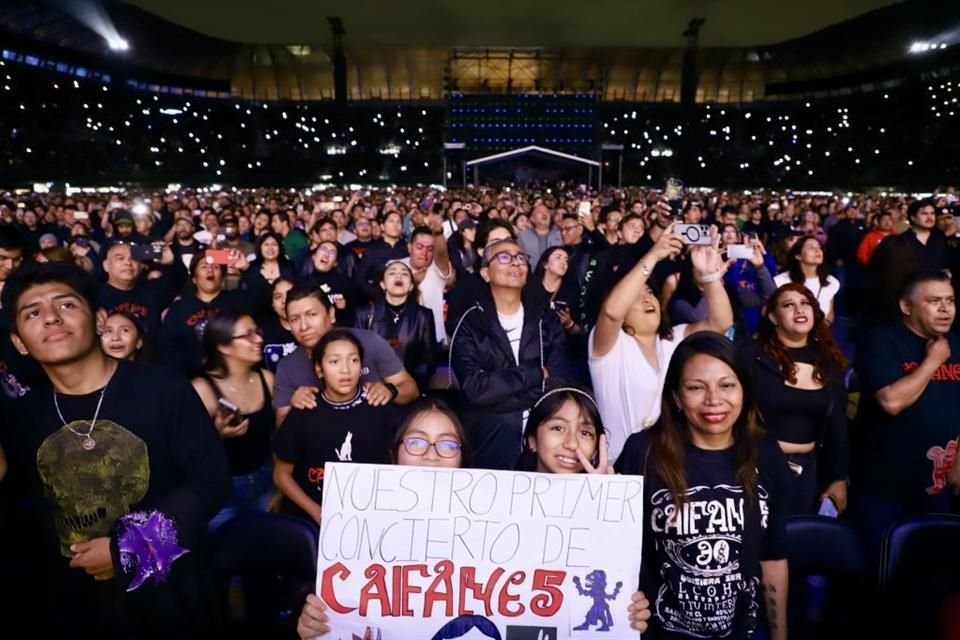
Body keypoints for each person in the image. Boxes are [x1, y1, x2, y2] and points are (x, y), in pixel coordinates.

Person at [294, 392, 652, 639]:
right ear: (395, 451)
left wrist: (623, 614)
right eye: (417, 441)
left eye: (448, 444)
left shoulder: (500, 519)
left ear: (464, 460)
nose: (432, 454)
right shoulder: (359, 526)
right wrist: (317, 627)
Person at [0, 261, 229, 638]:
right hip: (73, 608)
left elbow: (211, 483)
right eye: (33, 312)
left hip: (169, 599)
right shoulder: (20, 417)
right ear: (19, 342)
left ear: (100, 318)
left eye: (67, 305)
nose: (52, 318)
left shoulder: (163, 388)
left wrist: (130, 546)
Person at [615, 332, 790, 640]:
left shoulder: (766, 452)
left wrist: (780, 635)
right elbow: (618, 551)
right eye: (696, 387)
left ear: (744, 392)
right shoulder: (642, 451)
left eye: (727, 385)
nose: (714, 400)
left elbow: (773, 556)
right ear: (676, 398)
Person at [589, 220, 734, 461]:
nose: (648, 300)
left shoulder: (674, 340)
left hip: (670, 464)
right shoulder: (609, 346)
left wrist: (710, 277)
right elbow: (611, 312)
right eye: (637, 296)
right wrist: (654, 255)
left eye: (650, 293)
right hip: (618, 467)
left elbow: (720, 324)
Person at [852, 270, 960, 559]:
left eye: (950, 300)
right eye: (934, 300)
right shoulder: (881, 340)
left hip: (937, 485)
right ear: (906, 306)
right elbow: (892, 401)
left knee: (934, 573)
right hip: (885, 485)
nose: (945, 308)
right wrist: (933, 361)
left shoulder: (956, 343)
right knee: (884, 572)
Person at [449, 237, 575, 469]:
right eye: (504, 257)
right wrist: (537, 374)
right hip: (492, 441)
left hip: (544, 442)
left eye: (520, 258)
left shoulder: (544, 318)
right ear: (486, 273)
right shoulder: (469, 322)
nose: (515, 263)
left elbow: (560, 379)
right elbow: (475, 389)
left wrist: (501, 393)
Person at [273, 329, 401, 523]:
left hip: (370, 519)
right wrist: (316, 512)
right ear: (319, 369)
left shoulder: (380, 407)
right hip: (314, 522)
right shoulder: (304, 410)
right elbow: (281, 475)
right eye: (334, 361)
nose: (345, 370)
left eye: (353, 360)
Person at [744, 283, 849, 516]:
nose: (799, 310)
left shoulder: (828, 360)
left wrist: (838, 478)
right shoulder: (752, 355)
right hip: (756, 470)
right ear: (773, 316)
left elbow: (837, 425)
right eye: (788, 305)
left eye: (805, 304)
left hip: (808, 474)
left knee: (799, 544)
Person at [275, 283, 419, 426]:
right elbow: (281, 428)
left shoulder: (369, 342)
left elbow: (411, 389)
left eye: (312, 315)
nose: (304, 326)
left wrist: (390, 391)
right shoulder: (287, 367)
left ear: (331, 314)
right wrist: (295, 407)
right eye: (294, 319)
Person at [192, 311, 276, 532]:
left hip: (263, 481)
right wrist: (217, 435)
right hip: (220, 490)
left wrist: (278, 488)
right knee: (221, 556)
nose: (258, 339)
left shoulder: (267, 379)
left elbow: (278, 436)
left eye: (257, 332)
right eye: (248, 335)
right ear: (224, 346)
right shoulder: (202, 389)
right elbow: (185, 454)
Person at [354, 260, 438, 391]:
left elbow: (429, 359)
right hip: (373, 389)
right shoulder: (364, 314)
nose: (398, 276)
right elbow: (357, 356)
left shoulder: (423, 315)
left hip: (411, 388)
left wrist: (408, 385)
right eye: (392, 273)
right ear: (383, 284)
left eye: (404, 274)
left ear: (411, 286)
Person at [774, 236, 841, 323]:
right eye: (811, 247)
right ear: (798, 256)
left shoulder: (831, 282)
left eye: (819, 247)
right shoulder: (781, 281)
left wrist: (820, 330)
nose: (817, 250)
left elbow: (830, 313)